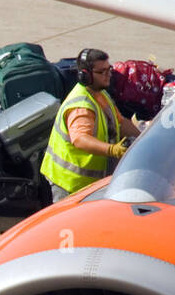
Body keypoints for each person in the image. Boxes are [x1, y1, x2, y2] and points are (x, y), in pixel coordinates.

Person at [40, 48, 141, 201]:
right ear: (85, 76)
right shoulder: (82, 106)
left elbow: (120, 123)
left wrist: (142, 139)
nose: (108, 75)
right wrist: (113, 150)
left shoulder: (100, 94)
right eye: (102, 72)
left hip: (87, 186)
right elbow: (80, 139)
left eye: (109, 70)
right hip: (70, 184)